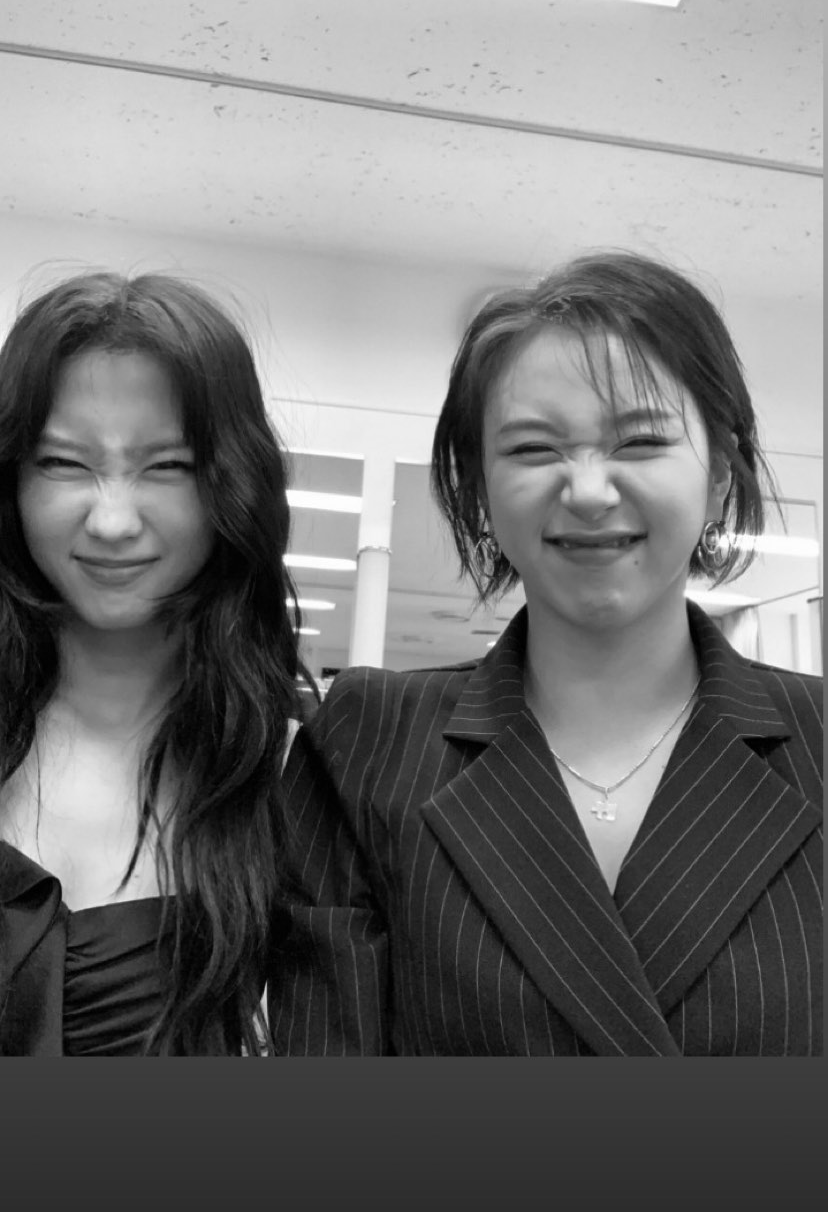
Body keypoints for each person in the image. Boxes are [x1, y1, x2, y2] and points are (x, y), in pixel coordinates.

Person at [270, 250, 822, 1056]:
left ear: (719, 473)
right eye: (533, 449)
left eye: (641, 441)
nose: (589, 491)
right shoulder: (368, 742)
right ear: (480, 489)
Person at [0, 271, 308, 1054]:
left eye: (166, 466)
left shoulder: (294, 780)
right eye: (63, 463)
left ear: (231, 485)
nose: (111, 521)